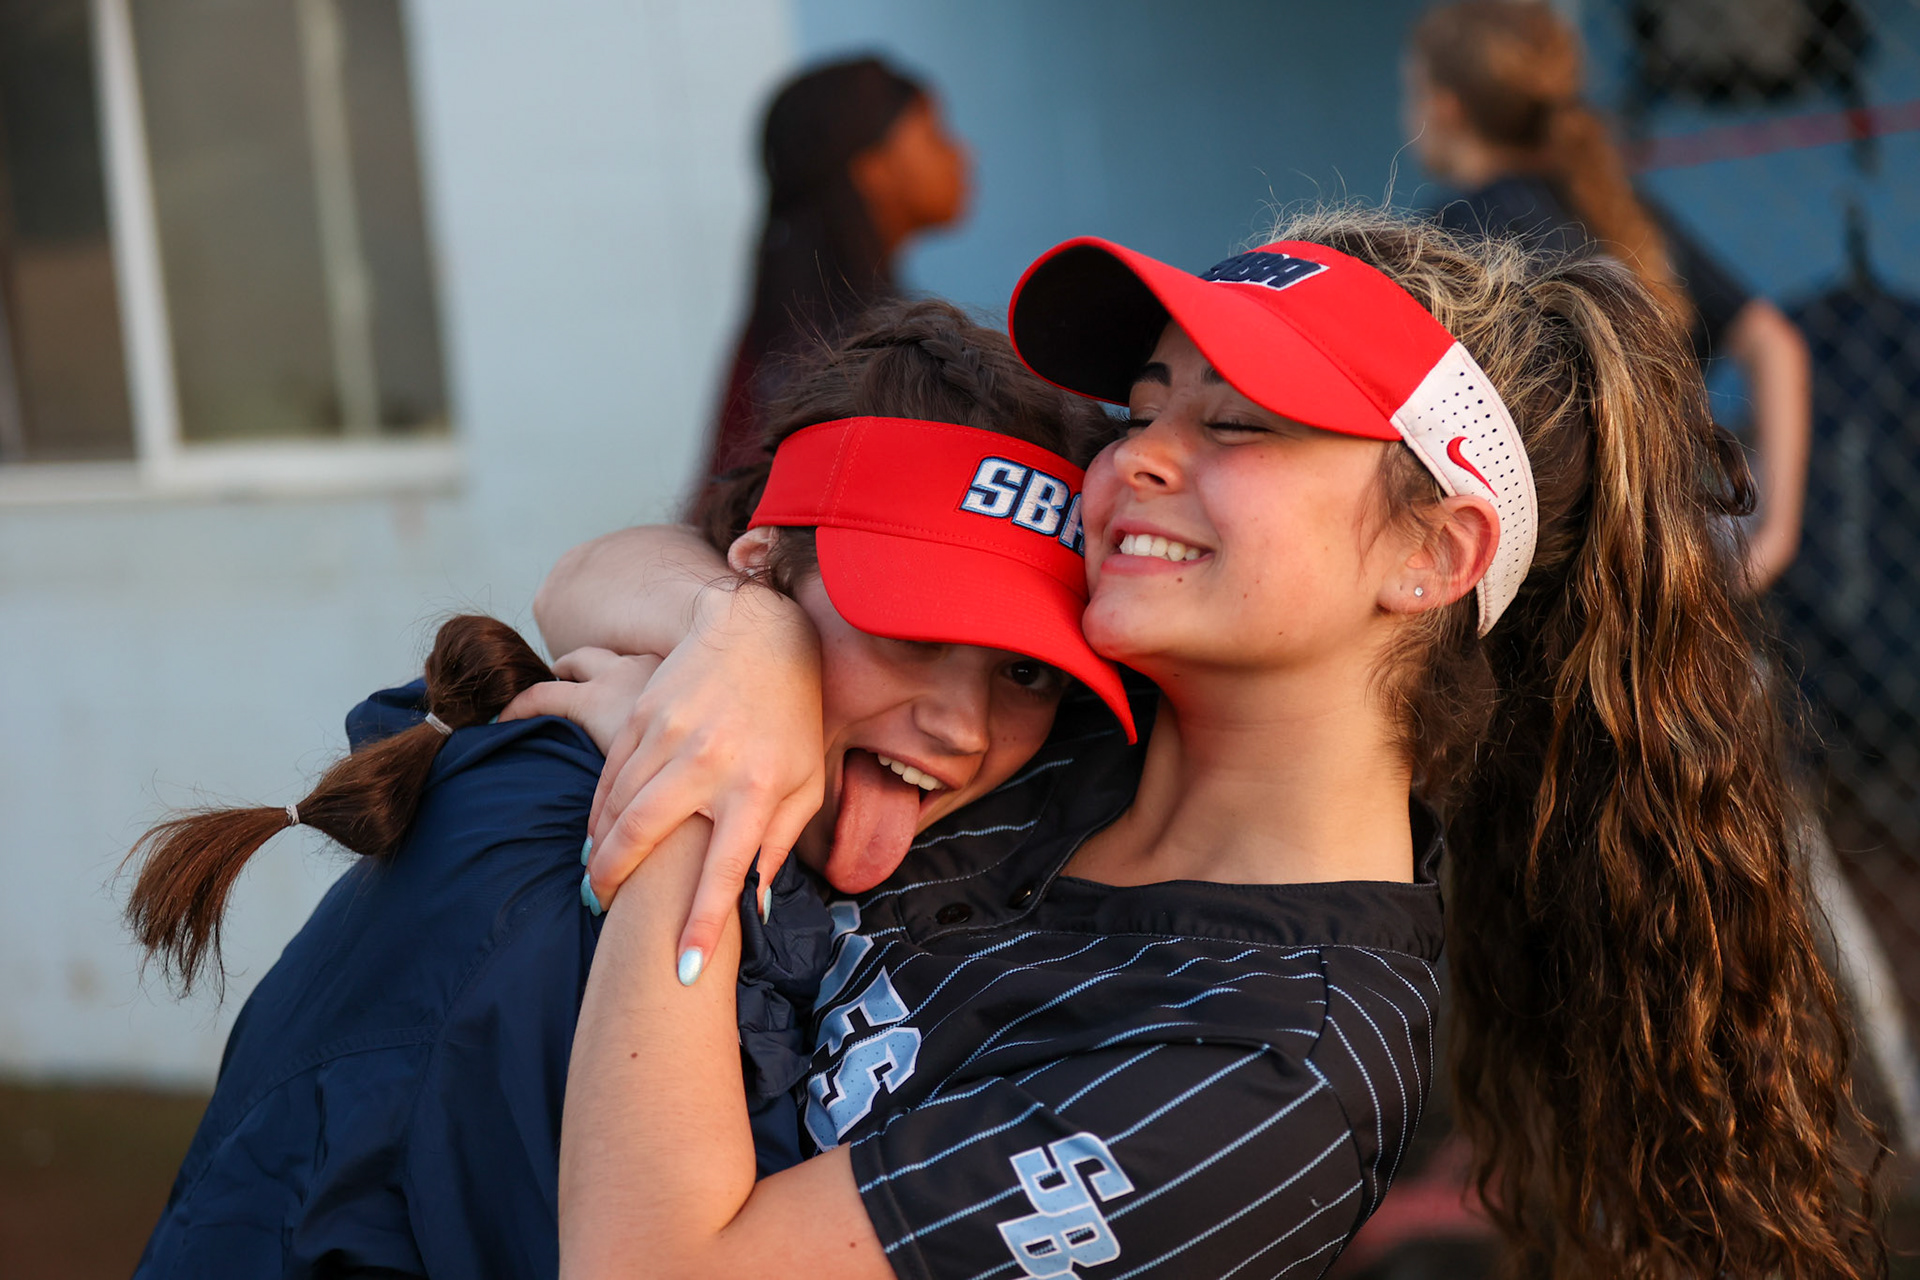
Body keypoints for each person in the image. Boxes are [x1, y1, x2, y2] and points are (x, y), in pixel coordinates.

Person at [535, 208, 1880, 1279]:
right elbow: (592, 577)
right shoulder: (1049, 702)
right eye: (1143, 406)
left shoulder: (1269, 1071)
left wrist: (689, 802)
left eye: (1235, 424)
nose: (1134, 461)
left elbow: (648, 1265)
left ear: (1432, 551)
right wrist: (744, 639)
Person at [122, 301, 1128, 1280]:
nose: (964, 723)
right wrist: (733, 638)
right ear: (762, 568)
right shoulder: (552, 885)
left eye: (1028, 669)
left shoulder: (878, 822)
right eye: (912, 627)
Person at [1404, 0, 1813, 591]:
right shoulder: (1618, 210)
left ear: (1444, 108)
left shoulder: (1445, 238)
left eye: (1412, 92)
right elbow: (1777, 344)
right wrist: (1774, 536)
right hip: (1672, 554)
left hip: (1549, 574)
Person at [708, 56, 971, 479]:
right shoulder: (847, 355)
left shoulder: (782, 330)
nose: (963, 153)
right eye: (935, 135)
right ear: (872, 168)